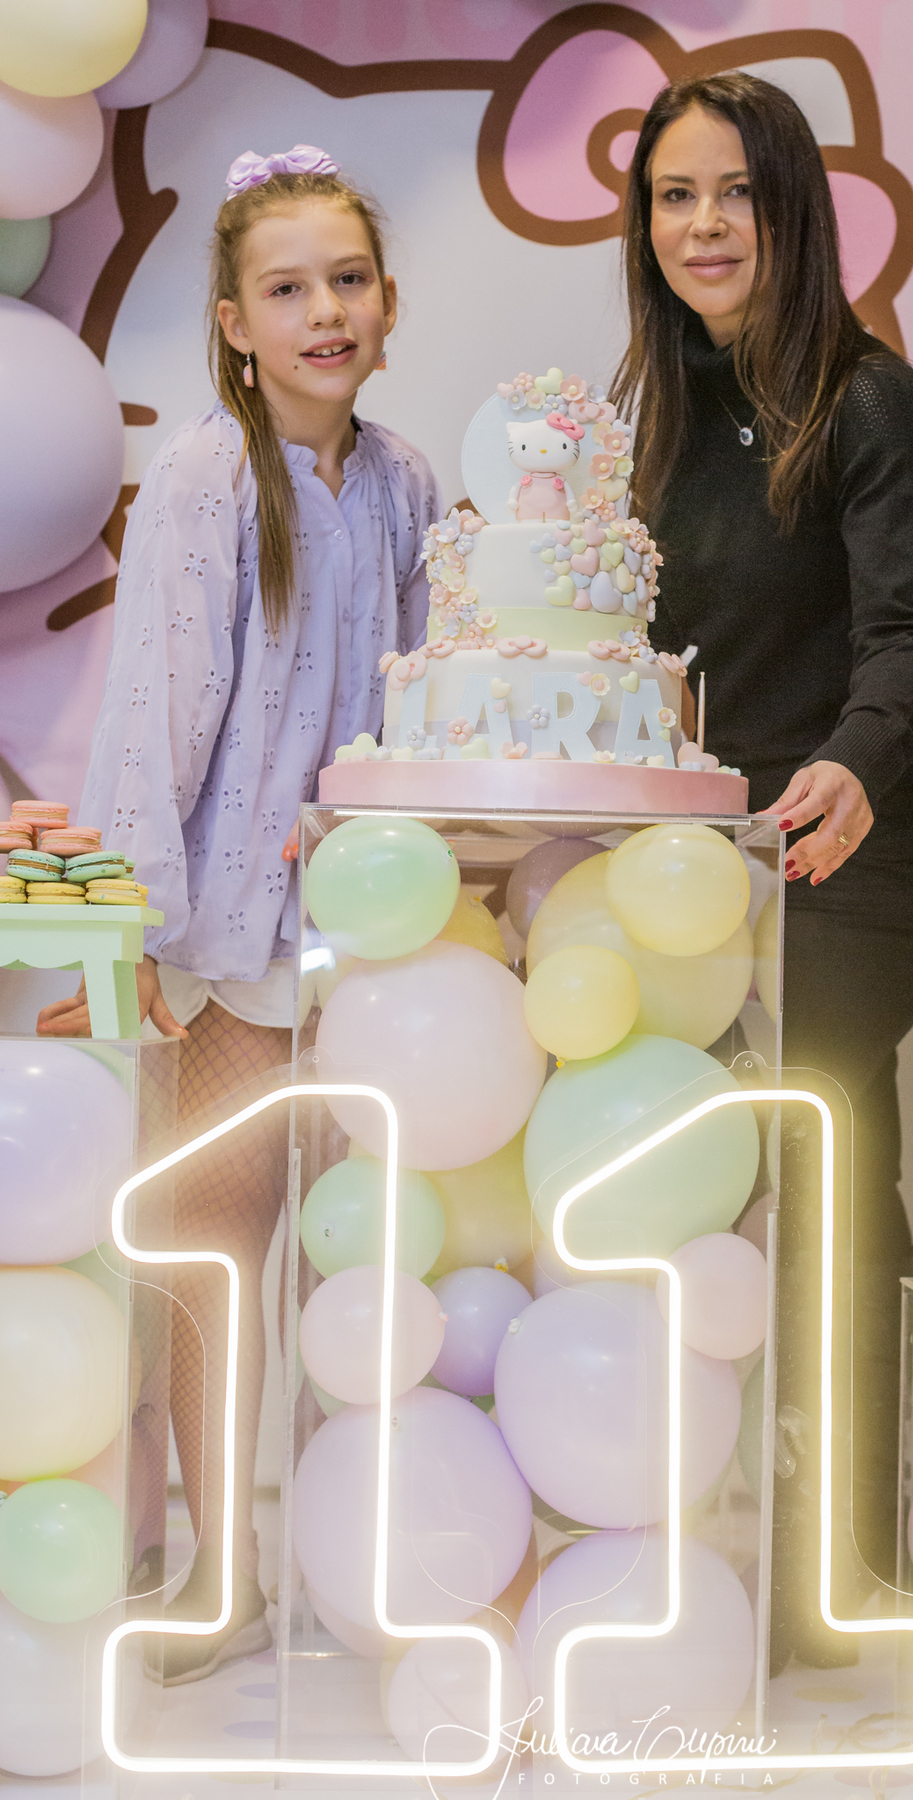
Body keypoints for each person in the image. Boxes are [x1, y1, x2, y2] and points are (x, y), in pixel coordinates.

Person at [38, 146, 441, 1683]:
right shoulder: (212, 480)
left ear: (387, 304)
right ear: (235, 323)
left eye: (347, 281)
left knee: (360, 1256)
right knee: (216, 1246)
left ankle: (362, 1566)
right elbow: (156, 717)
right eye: (288, 290)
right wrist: (137, 935)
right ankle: (224, 1572)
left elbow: (417, 699)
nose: (323, 311)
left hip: (371, 941)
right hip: (228, 943)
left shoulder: (404, 484)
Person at [612, 75, 913, 1656]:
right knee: (837, 1166)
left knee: (800, 1159)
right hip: (737, 866)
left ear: (792, 210)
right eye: (674, 195)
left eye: (737, 193)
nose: (704, 225)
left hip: (875, 849)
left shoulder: (866, 397)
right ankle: (849, 1565)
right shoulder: (657, 409)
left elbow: (908, 637)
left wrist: (850, 758)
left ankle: (825, 1579)